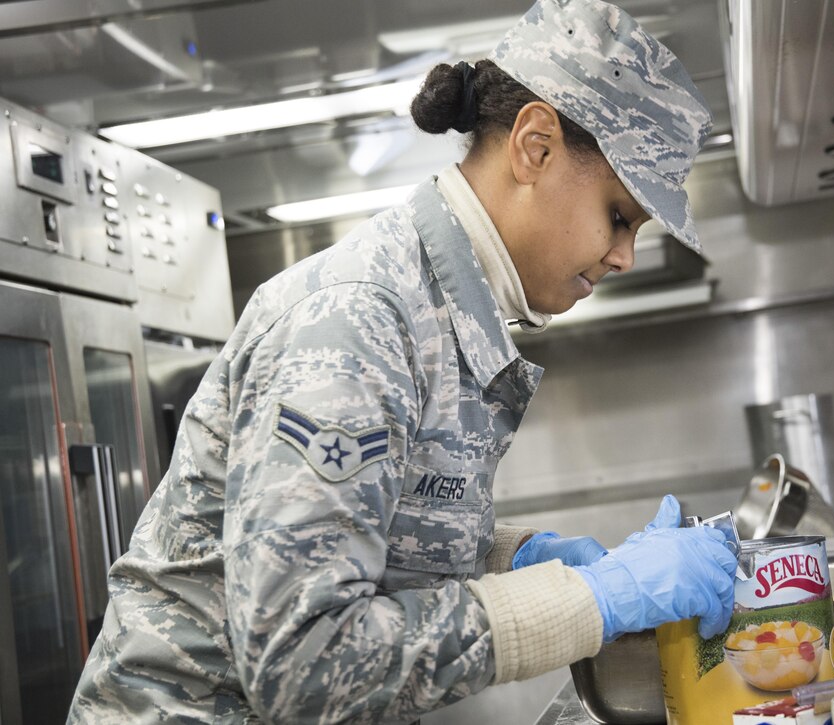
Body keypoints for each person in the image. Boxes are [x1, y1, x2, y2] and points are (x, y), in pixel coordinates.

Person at [67, 1, 738, 722]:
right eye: (619, 214)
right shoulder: (360, 321)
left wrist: (509, 557)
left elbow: (365, 534)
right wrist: (591, 600)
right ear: (535, 146)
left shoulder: (445, 309)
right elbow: (305, 666)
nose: (624, 255)